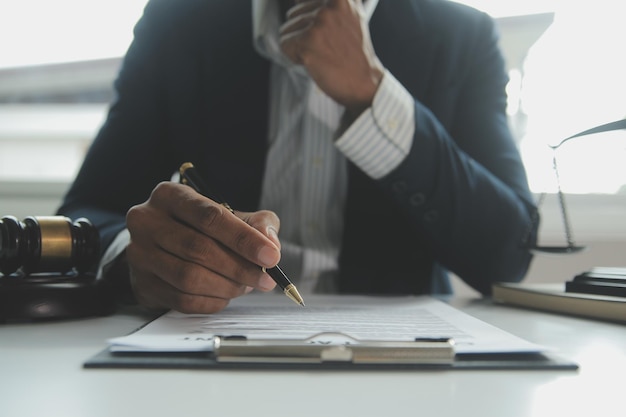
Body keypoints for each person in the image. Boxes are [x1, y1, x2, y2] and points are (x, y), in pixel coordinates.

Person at [57, 0, 538, 314]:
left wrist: (374, 94)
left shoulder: (463, 37)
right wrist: (136, 260)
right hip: (207, 351)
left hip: (399, 365)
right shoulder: (177, 23)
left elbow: (506, 254)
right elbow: (82, 218)